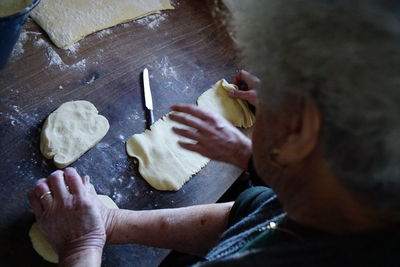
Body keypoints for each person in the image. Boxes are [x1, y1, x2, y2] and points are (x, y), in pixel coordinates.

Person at [28, 0, 400, 266]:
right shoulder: (351, 207)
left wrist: (82, 246)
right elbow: (261, 212)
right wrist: (113, 224)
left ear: (300, 135)